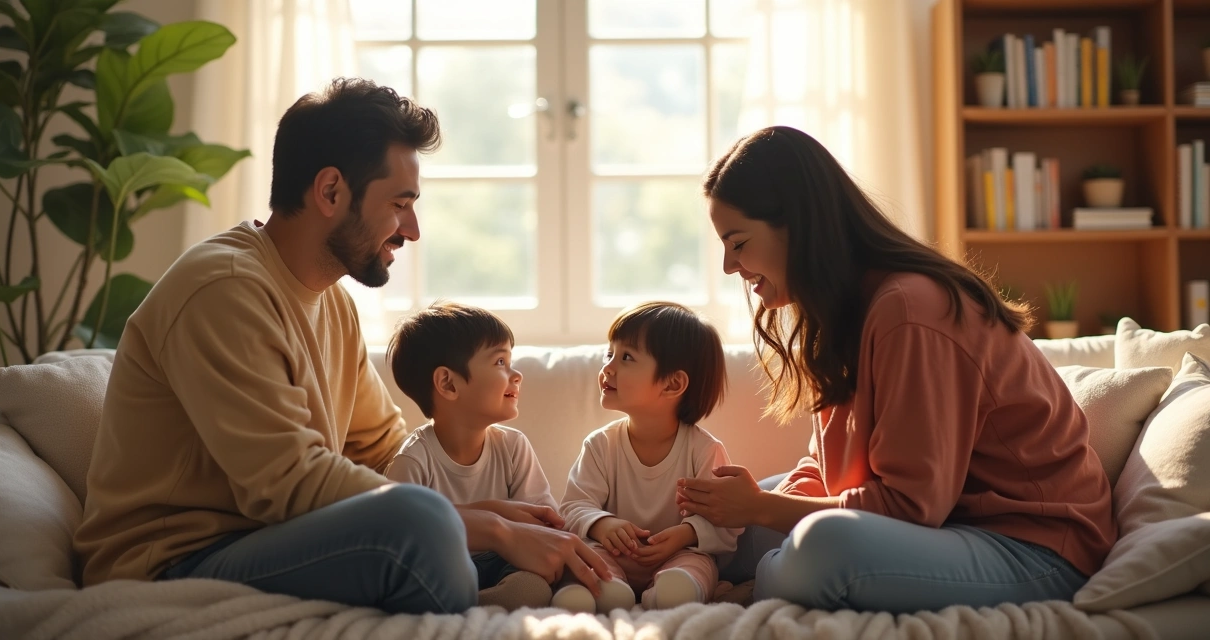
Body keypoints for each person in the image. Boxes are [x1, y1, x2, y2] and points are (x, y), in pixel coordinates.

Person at [74, 78, 609, 614]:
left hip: (268, 542)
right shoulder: (224, 289)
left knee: (452, 523)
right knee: (425, 529)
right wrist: (477, 525)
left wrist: (481, 510)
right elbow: (286, 483)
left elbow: (380, 452)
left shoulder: (332, 304)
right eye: (400, 203)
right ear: (330, 191)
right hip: (170, 563)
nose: (413, 230)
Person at [676, 125, 1115, 614]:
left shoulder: (910, 309)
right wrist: (752, 507)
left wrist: (761, 509)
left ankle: (757, 580)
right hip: (950, 527)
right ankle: (666, 570)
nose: (728, 267)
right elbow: (827, 468)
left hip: (1035, 548)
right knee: (726, 515)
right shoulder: (844, 309)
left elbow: (911, 505)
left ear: (797, 226)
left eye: (737, 242)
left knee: (819, 547)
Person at [554, 302, 742, 613]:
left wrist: (685, 535)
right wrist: (602, 525)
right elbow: (573, 506)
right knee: (588, 554)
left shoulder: (704, 450)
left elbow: (727, 522)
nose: (608, 368)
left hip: (677, 555)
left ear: (673, 384)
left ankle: (670, 593)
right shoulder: (601, 445)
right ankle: (602, 590)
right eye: (609, 354)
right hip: (612, 554)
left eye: (626, 357)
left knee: (698, 564)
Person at [386, 301, 560, 610]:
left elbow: (543, 528)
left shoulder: (513, 446)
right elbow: (402, 542)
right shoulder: (412, 461)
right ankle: (466, 602)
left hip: (506, 562)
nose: (516, 374)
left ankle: (462, 606)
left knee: (532, 585)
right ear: (448, 384)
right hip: (446, 568)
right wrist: (495, 514)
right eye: (499, 362)